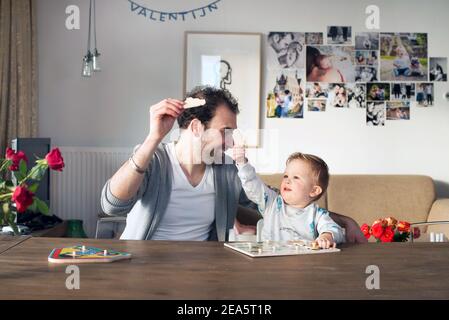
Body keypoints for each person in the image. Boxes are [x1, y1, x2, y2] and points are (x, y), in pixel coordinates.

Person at [101, 86, 367, 243]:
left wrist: (345, 222)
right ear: (196, 127)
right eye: (226, 130)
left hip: (203, 271)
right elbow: (112, 204)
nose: (232, 140)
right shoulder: (155, 160)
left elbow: (279, 204)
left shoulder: (225, 171)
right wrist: (153, 138)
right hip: (146, 266)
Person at [231, 147, 345, 248]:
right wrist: (242, 163)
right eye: (286, 175)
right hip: (269, 261)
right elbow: (253, 185)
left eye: (296, 177)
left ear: (314, 190)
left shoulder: (317, 214)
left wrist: (326, 236)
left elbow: (334, 229)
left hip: (303, 264)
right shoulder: (271, 202)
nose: (287, 180)